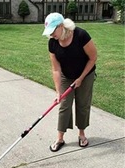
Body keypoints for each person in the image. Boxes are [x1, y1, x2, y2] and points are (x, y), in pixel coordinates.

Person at [42, 12, 97, 152]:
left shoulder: (80, 35)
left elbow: (93, 57)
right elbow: (56, 69)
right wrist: (58, 91)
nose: (51, 35)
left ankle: (82, 134)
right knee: (64, 105)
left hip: (86, 73)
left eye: (53, 31)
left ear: (61, 26)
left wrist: (81, 78)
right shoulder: (52, 43)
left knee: (82, 104)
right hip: (67, 76)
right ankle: (60, 138)